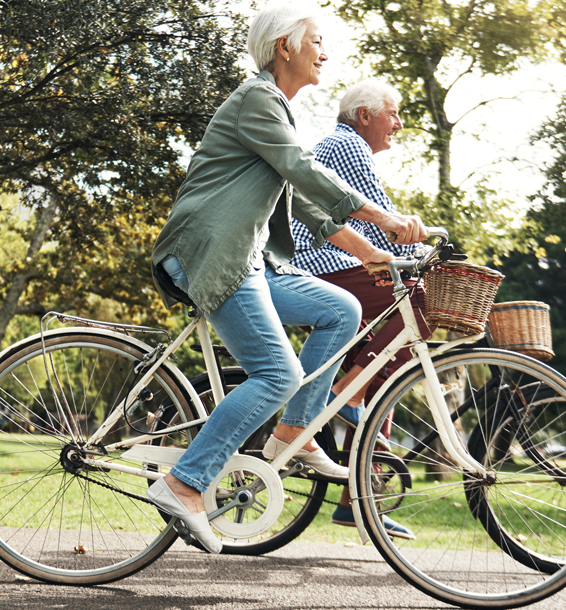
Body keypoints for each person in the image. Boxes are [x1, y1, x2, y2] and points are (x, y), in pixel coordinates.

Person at [146, 4, 425, 554]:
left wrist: (376, 255)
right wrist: (387, 218)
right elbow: (304, 169)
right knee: (276, 374)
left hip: (250, 262)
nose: (326, 51)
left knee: (342, 309)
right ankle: (184, 484)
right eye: (317, 41)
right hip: (211, 256)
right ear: (285, 48)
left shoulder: (278, 112)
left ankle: (294, 434)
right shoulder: (258, 99)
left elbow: (307, 211)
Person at [289, 79, 429, 539]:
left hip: (340, 261)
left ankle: (358, 499)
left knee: (385, 369)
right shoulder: (347, 143)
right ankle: (341, 396)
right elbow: (386, 217)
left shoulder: (346, 146)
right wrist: (425, 235)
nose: (399, 123)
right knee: (419, 304)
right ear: (365, 115)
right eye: (393, 113)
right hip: (324, 262)